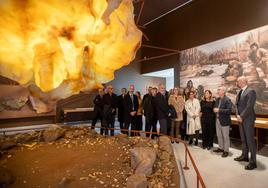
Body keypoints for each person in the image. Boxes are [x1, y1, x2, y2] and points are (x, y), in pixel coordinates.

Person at [234, 76, 257, 170]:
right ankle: (245, 156)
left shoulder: (251, 91)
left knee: (250, 141)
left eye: (238, 81)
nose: (237, 83)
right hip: (240, 119)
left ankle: (253, 162)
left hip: (248, 119)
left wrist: (241, 116)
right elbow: (236, 105)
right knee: (243, 139)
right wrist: (237, 115)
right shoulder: (240, 92)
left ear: (243, 81)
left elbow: (249, 106)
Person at [213, 86, 232, 158]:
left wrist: (219, 110)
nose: (218, 91)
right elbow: (215, 108)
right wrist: (215, 110)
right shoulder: (217, 99)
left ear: (223, 91)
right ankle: (221, 148)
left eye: (219, 90)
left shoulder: (227, 100)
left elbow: (229, 110)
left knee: (225, 136)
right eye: (218, 90)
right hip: (217, 120)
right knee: (219, 135)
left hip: (224, 121)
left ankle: (226, 151)